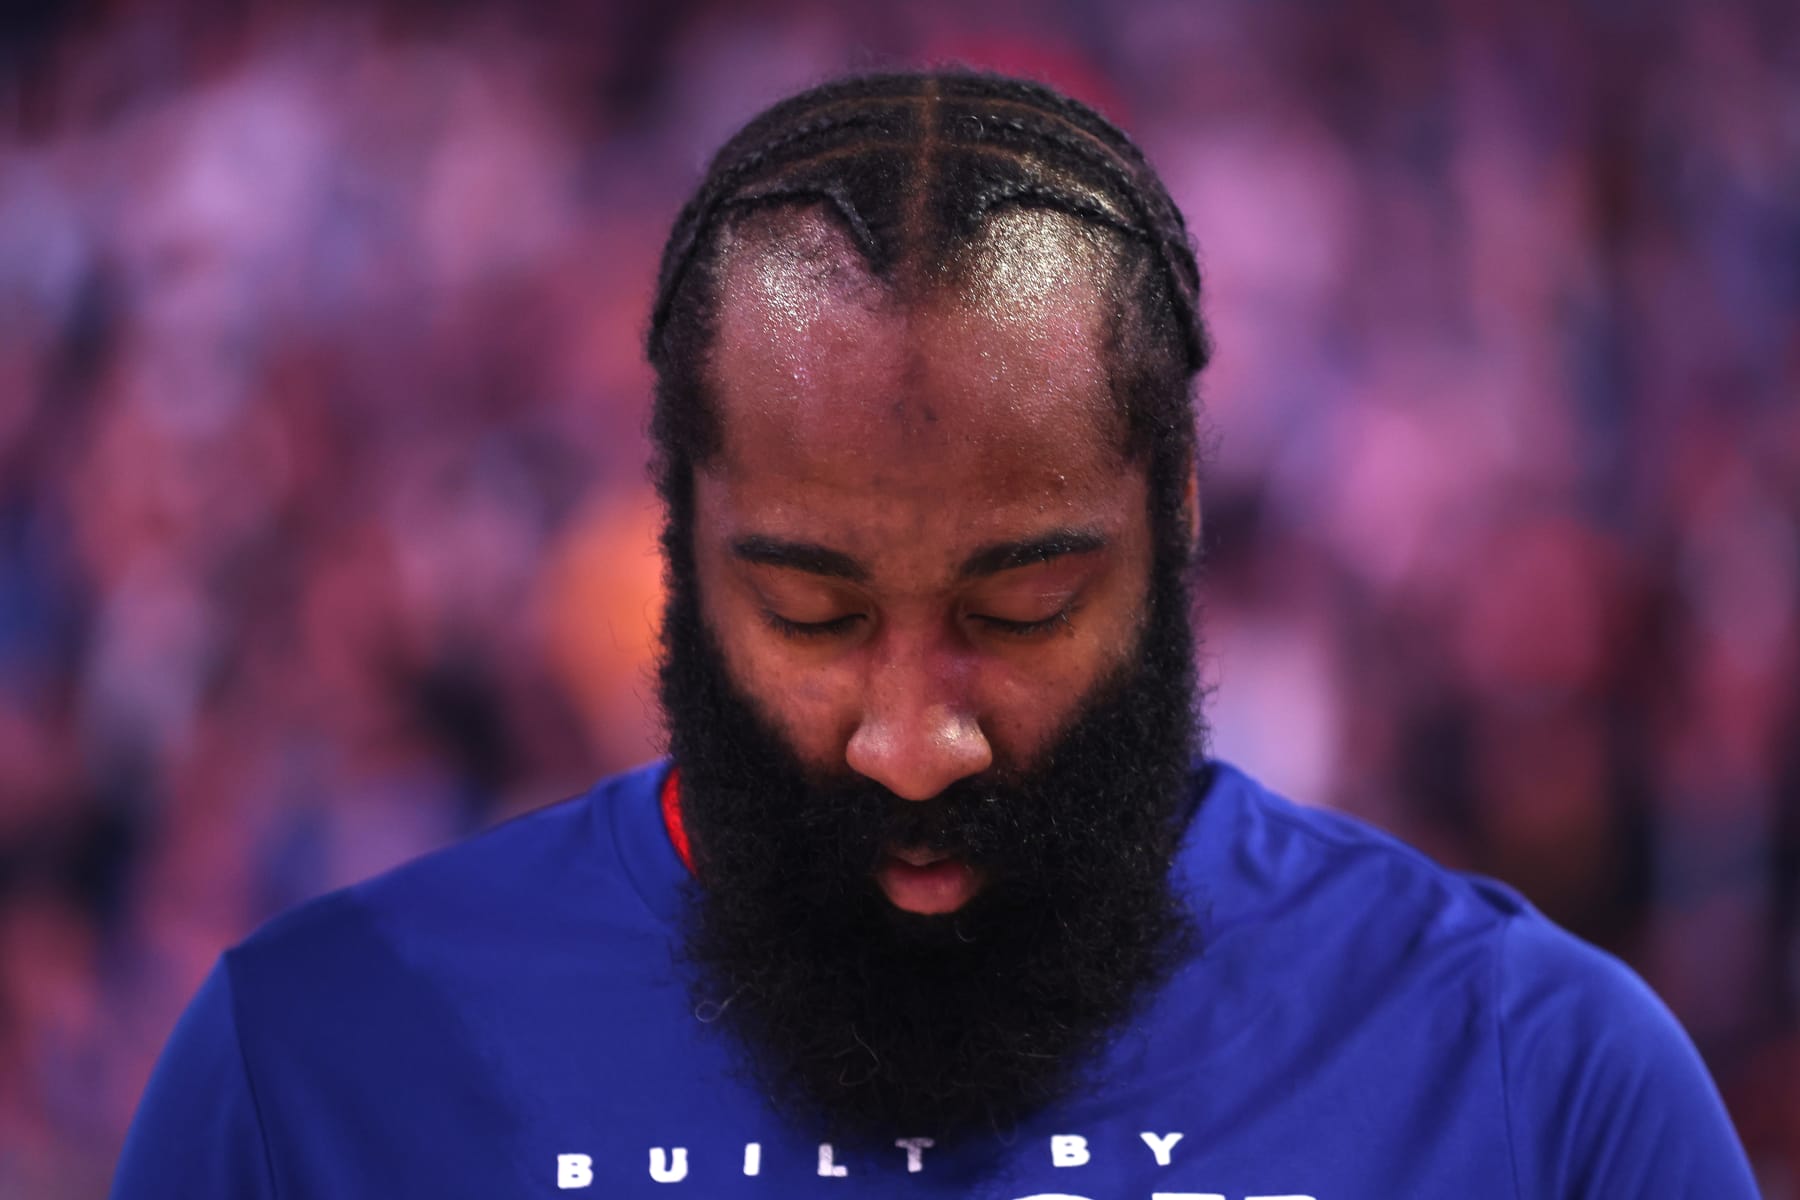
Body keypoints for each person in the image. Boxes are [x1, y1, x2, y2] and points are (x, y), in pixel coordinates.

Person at [110, 69, 1756, 1199]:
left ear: (1175, 525)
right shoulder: (318, 1065)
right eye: (814, 613)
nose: (912, 740)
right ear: (678, 545)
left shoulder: (1539, 1084)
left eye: (1022, 608)